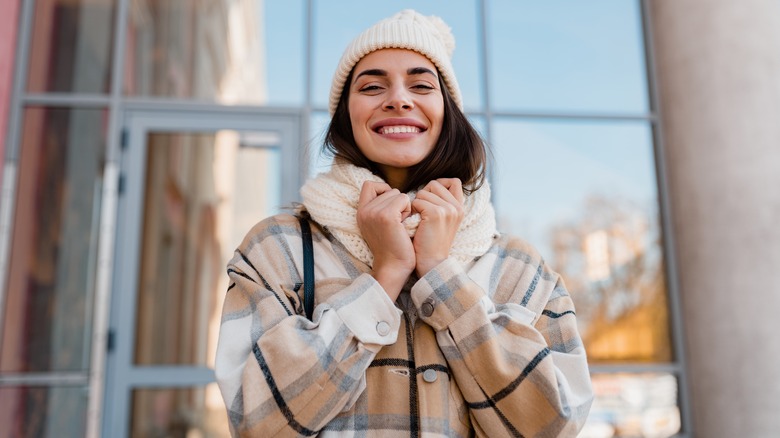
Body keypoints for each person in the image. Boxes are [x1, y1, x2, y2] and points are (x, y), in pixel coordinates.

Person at [216, 9, 593, 437]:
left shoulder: (520, 268)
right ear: (346, 116)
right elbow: (254, 422)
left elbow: (554, 426)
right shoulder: (276, 248)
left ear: (448, 112)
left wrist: (439, 271)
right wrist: (386, 275)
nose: (398, 99)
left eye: (421, 85)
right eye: (373, 86)